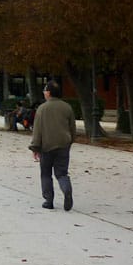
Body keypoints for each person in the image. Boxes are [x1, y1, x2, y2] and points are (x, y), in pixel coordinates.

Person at [29, 81, 76, 210]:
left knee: (46, 173)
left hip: (46, 146)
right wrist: (70, 141)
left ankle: (48, 201)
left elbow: (37, 130)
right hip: (63, 145)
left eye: (45, 91)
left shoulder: (42, 108)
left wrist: (35, 147)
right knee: (62, 173)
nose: (44, 93)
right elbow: (72, 128)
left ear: (48, 93)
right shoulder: (67, 107)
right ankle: (66, 189)